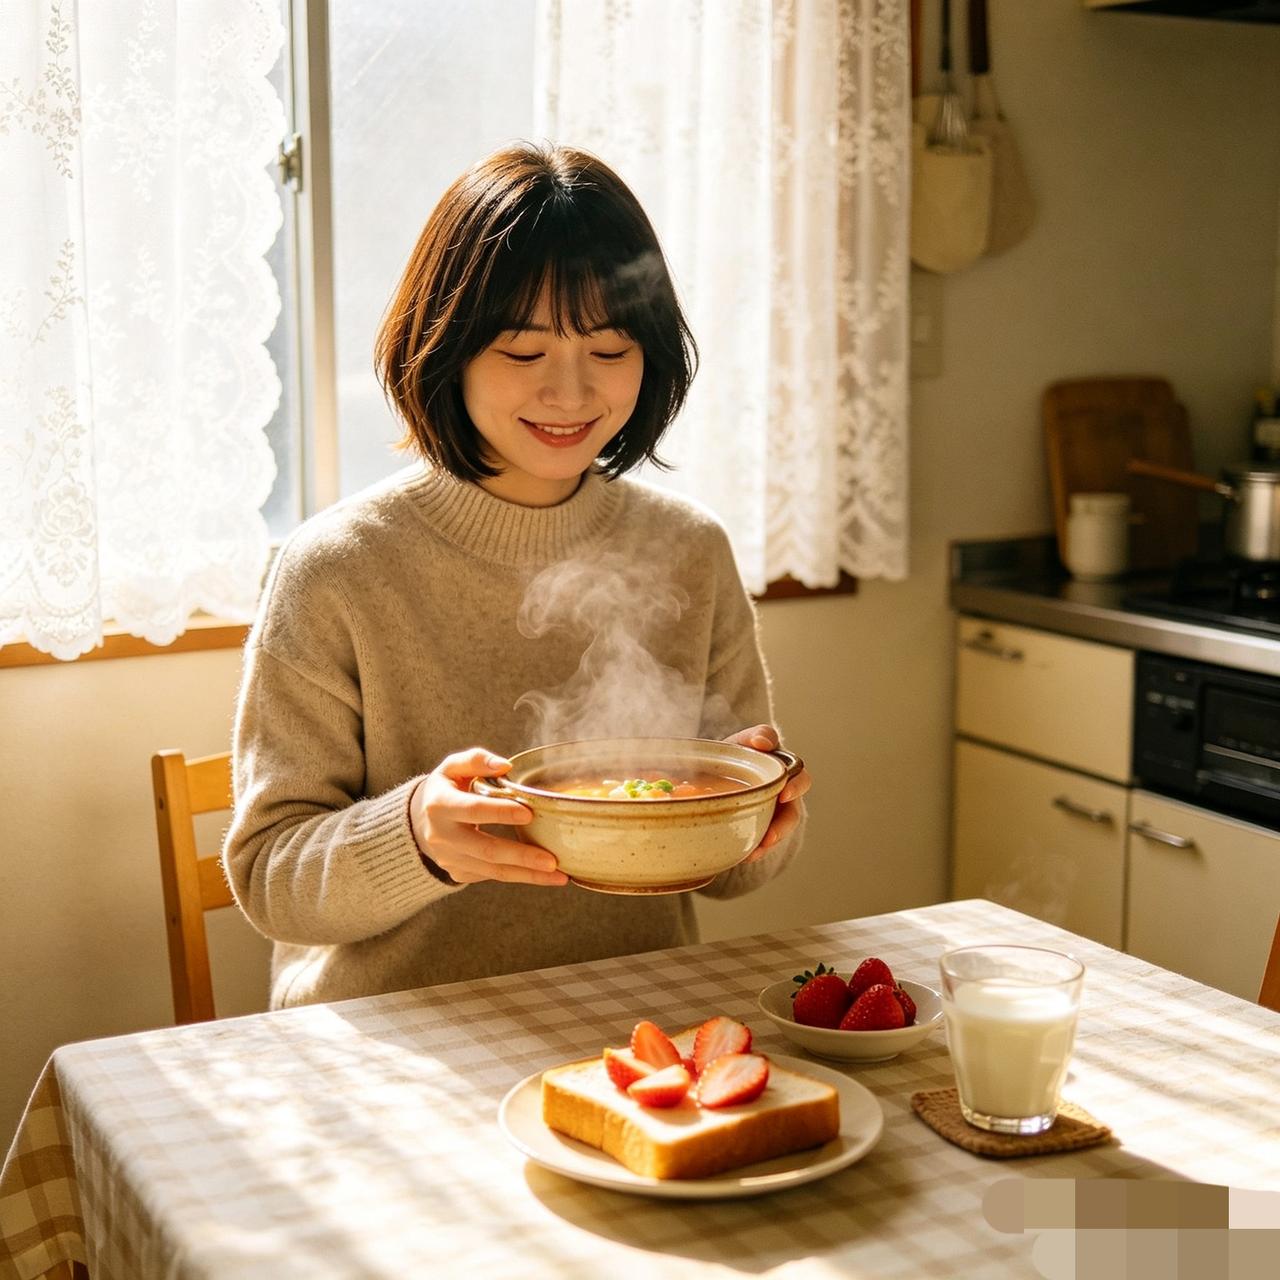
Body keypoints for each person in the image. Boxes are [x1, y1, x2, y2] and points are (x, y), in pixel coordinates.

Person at [223, 142, 811, 1008]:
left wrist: (757, 818)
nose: (571, 394)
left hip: (632, 1020)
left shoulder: (689, 550)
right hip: (393, 1035)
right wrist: (418, 833)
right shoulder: (339, 568)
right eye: (523, 352)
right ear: (447, 348)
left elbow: (732, 879)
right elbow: (272, 878)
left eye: (610, 350)